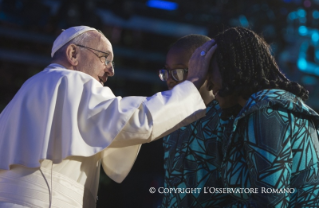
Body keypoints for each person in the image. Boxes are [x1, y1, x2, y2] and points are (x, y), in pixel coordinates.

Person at [0, 26, 217, 208]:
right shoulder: (70, 81)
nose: (110, 71)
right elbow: (137, 120)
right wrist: (191, 85)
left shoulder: (32, 87)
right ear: (73, 54)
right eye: (105, 58)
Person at [206, 26, 319, 207]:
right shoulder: (265, 106)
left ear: (234, 66)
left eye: (211, 70)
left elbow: (270, 201)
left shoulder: (266, 111)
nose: (208, 82)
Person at [159, 35, 235, 207]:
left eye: (178, 71)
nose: (170, 79)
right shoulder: (172, 119)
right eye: (166, 72)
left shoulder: (226, 119)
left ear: (205, 69)